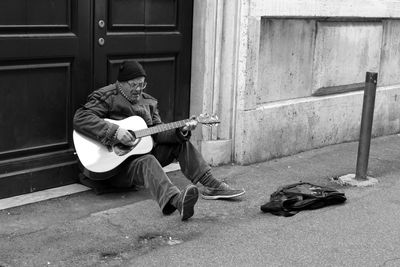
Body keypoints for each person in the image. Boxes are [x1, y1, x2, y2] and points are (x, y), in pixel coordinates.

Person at [73, 60, 245, 221]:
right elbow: (81, 117)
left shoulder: (148, 102)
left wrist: (181, 130)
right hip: (114, 168)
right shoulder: (108, 96)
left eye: (142, 85)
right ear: (121, 83)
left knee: (181, 142)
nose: (139, 90)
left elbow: (158, 133)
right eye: (134, 85)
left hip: (138, 158)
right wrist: (115, 132)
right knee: (147, 160)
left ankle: (212, 185)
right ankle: (177, 201)